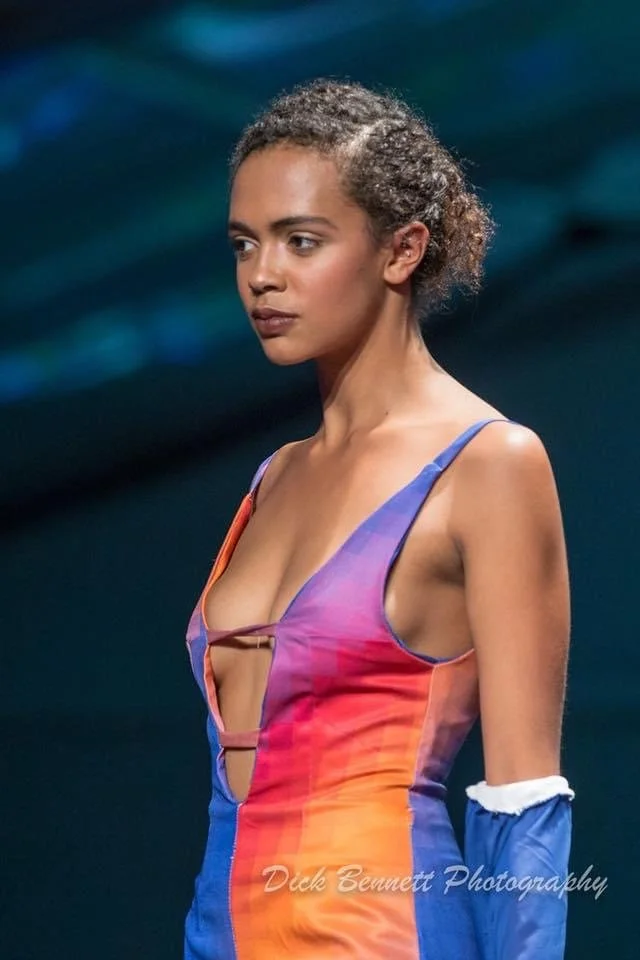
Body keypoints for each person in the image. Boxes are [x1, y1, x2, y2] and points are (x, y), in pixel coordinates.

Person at [183, 78, 574, 960]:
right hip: (220, 934)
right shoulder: (274, 477)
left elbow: (524, 795)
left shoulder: (489, 465)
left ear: (401, 251)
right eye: (244, 245)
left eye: (301, 241)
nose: (261, 276)